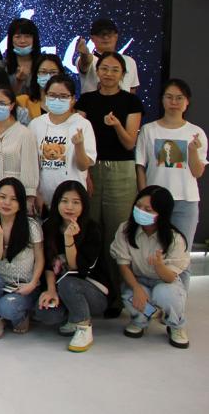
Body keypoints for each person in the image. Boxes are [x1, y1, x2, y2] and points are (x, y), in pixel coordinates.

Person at [74, 51, 144, 286]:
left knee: (118, 229)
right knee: (90, 226)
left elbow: (129, 143)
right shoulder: (86, 100)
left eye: (115, 70)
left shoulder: (131, 102)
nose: (109, 74)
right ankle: (92, 284)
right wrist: (85, 173)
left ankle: (117, 289)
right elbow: (78, 137)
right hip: (91, 168)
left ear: (123, 74)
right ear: (97, 71)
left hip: (121, 170)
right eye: (104, 68)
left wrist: (116, 126)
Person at [33, 181, 111, 352]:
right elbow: (48, 263)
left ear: (84, 205)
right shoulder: (48, 226)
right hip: (61, 289)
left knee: (69, 283)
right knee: (45, 313)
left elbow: (77, 268)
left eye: (76, 202)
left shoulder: (92, 229)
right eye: (64, 201)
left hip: (92, 293)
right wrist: (51, 290)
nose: (69, 207)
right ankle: (73, 317)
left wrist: (69, 239)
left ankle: (83, 327)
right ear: (56, 203)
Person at [111, 185, 191, 348]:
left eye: (148, 209)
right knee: (131, 296)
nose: (141, 211)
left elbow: (170, 278)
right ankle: (141, 320)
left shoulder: (175, 238)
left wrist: (159, 265)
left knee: (165, 294)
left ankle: (175, 325)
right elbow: (123, 265)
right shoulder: (125, 229)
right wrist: (136, 288)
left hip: (164, 282)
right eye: (138, 206)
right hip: (138, 279)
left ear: (162, 213)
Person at [136, 78, 205, 248]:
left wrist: (192, 151)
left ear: (187, 102)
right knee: (152, 249)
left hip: (185, 202)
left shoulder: (196, 132)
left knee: (181, 251)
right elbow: (140, 166)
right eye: (169, 97)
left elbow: (198, 172)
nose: (174, 102)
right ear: (162, 99)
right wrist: (144, 196)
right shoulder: (148, 130)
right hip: (154, 200)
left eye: (179, 98)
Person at [0, 178, 44, 339]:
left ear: (21, 203)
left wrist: (32, 284)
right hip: (1, 283)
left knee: (6, 308)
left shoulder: (31, 226)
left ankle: (21, 314)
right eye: (2, 197)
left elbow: (40, 258)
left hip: (24, 286)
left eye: (14, 199)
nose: (7, 203)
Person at [29, 74, 97, 210]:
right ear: (45, 96)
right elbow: (30, 164)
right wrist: (34, 192)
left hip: (72, 200)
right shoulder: (36, 124)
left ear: (73, 99)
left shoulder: (82, 124)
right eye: (52, 95)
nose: (57, 100)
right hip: (43, 199)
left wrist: (79, 145)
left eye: (63, 96)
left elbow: (83, 166)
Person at [0, 84, 39, 215]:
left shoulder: (25, 134)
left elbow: (30, 170)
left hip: (14, 194)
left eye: (2, 103)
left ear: (11, 105)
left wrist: (29, 199)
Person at [76, 18, 140, 95]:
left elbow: (132, 91)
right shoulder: (88, 59)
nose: (105, 37)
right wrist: (85, 54)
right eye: (100, 34)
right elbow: (85, 62)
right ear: (92, 38)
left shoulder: (130, 61)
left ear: (116, 36)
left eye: (109, 34)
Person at [3, 17, 40, 95]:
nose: (22, 41)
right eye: (18, 37)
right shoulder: (2, 65)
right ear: (11, 40)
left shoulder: (43, 63)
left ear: (34, 39)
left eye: (27, 36)